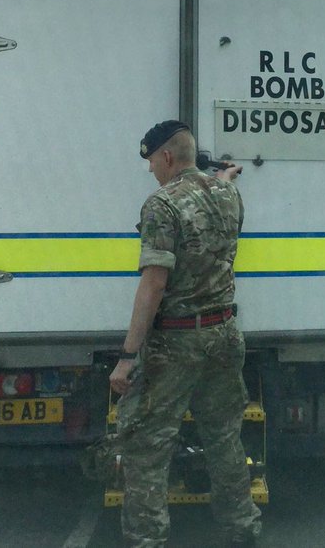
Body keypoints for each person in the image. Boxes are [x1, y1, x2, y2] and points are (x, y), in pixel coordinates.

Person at [109, 120, 262, 548]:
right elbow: (217, 187)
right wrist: (224, 176)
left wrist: (127, 355)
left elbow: (154, 283)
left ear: (167, 157)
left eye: (152, 162)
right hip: (225, 335)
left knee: (147, 447)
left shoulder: (161, 204)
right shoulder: (228, 193)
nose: (152, 171)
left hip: (177, 342)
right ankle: (242, 528)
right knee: (224, 438)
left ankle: (147, 540)